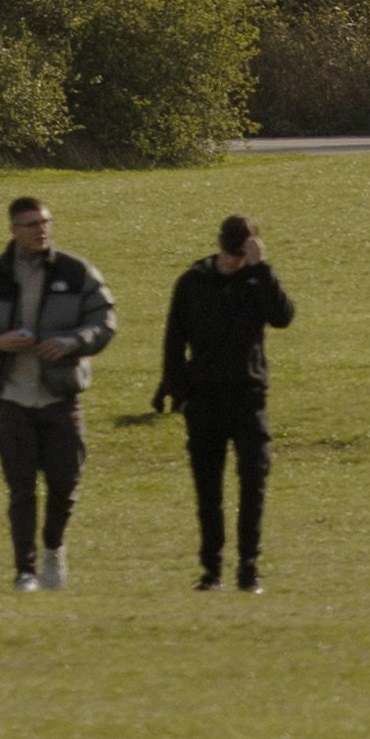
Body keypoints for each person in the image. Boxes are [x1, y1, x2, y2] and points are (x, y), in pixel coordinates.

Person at [0, 193, 118, 588]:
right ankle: (25, 571)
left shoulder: (76, 272)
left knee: (65, 484)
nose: (41, 230)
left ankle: (53, 552)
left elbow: (104, 318)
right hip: (12, 399)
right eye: (31, 224)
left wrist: (74, 342)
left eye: (45, 222)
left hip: (60, 397)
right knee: (21, 490)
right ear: (12, 230)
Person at [152, 209, 296, 590]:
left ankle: (249, 569)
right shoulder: (192, 282)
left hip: (249, 399)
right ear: (219, 245)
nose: (234, 259)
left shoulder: (257, 282)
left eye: (242, 252)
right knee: (208, 491)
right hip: (204, 402)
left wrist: (261, 268)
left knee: (254, 481)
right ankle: (211, 572)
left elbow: (283, 317)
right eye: (231, 251)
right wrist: (178, 392)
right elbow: (173, 341)